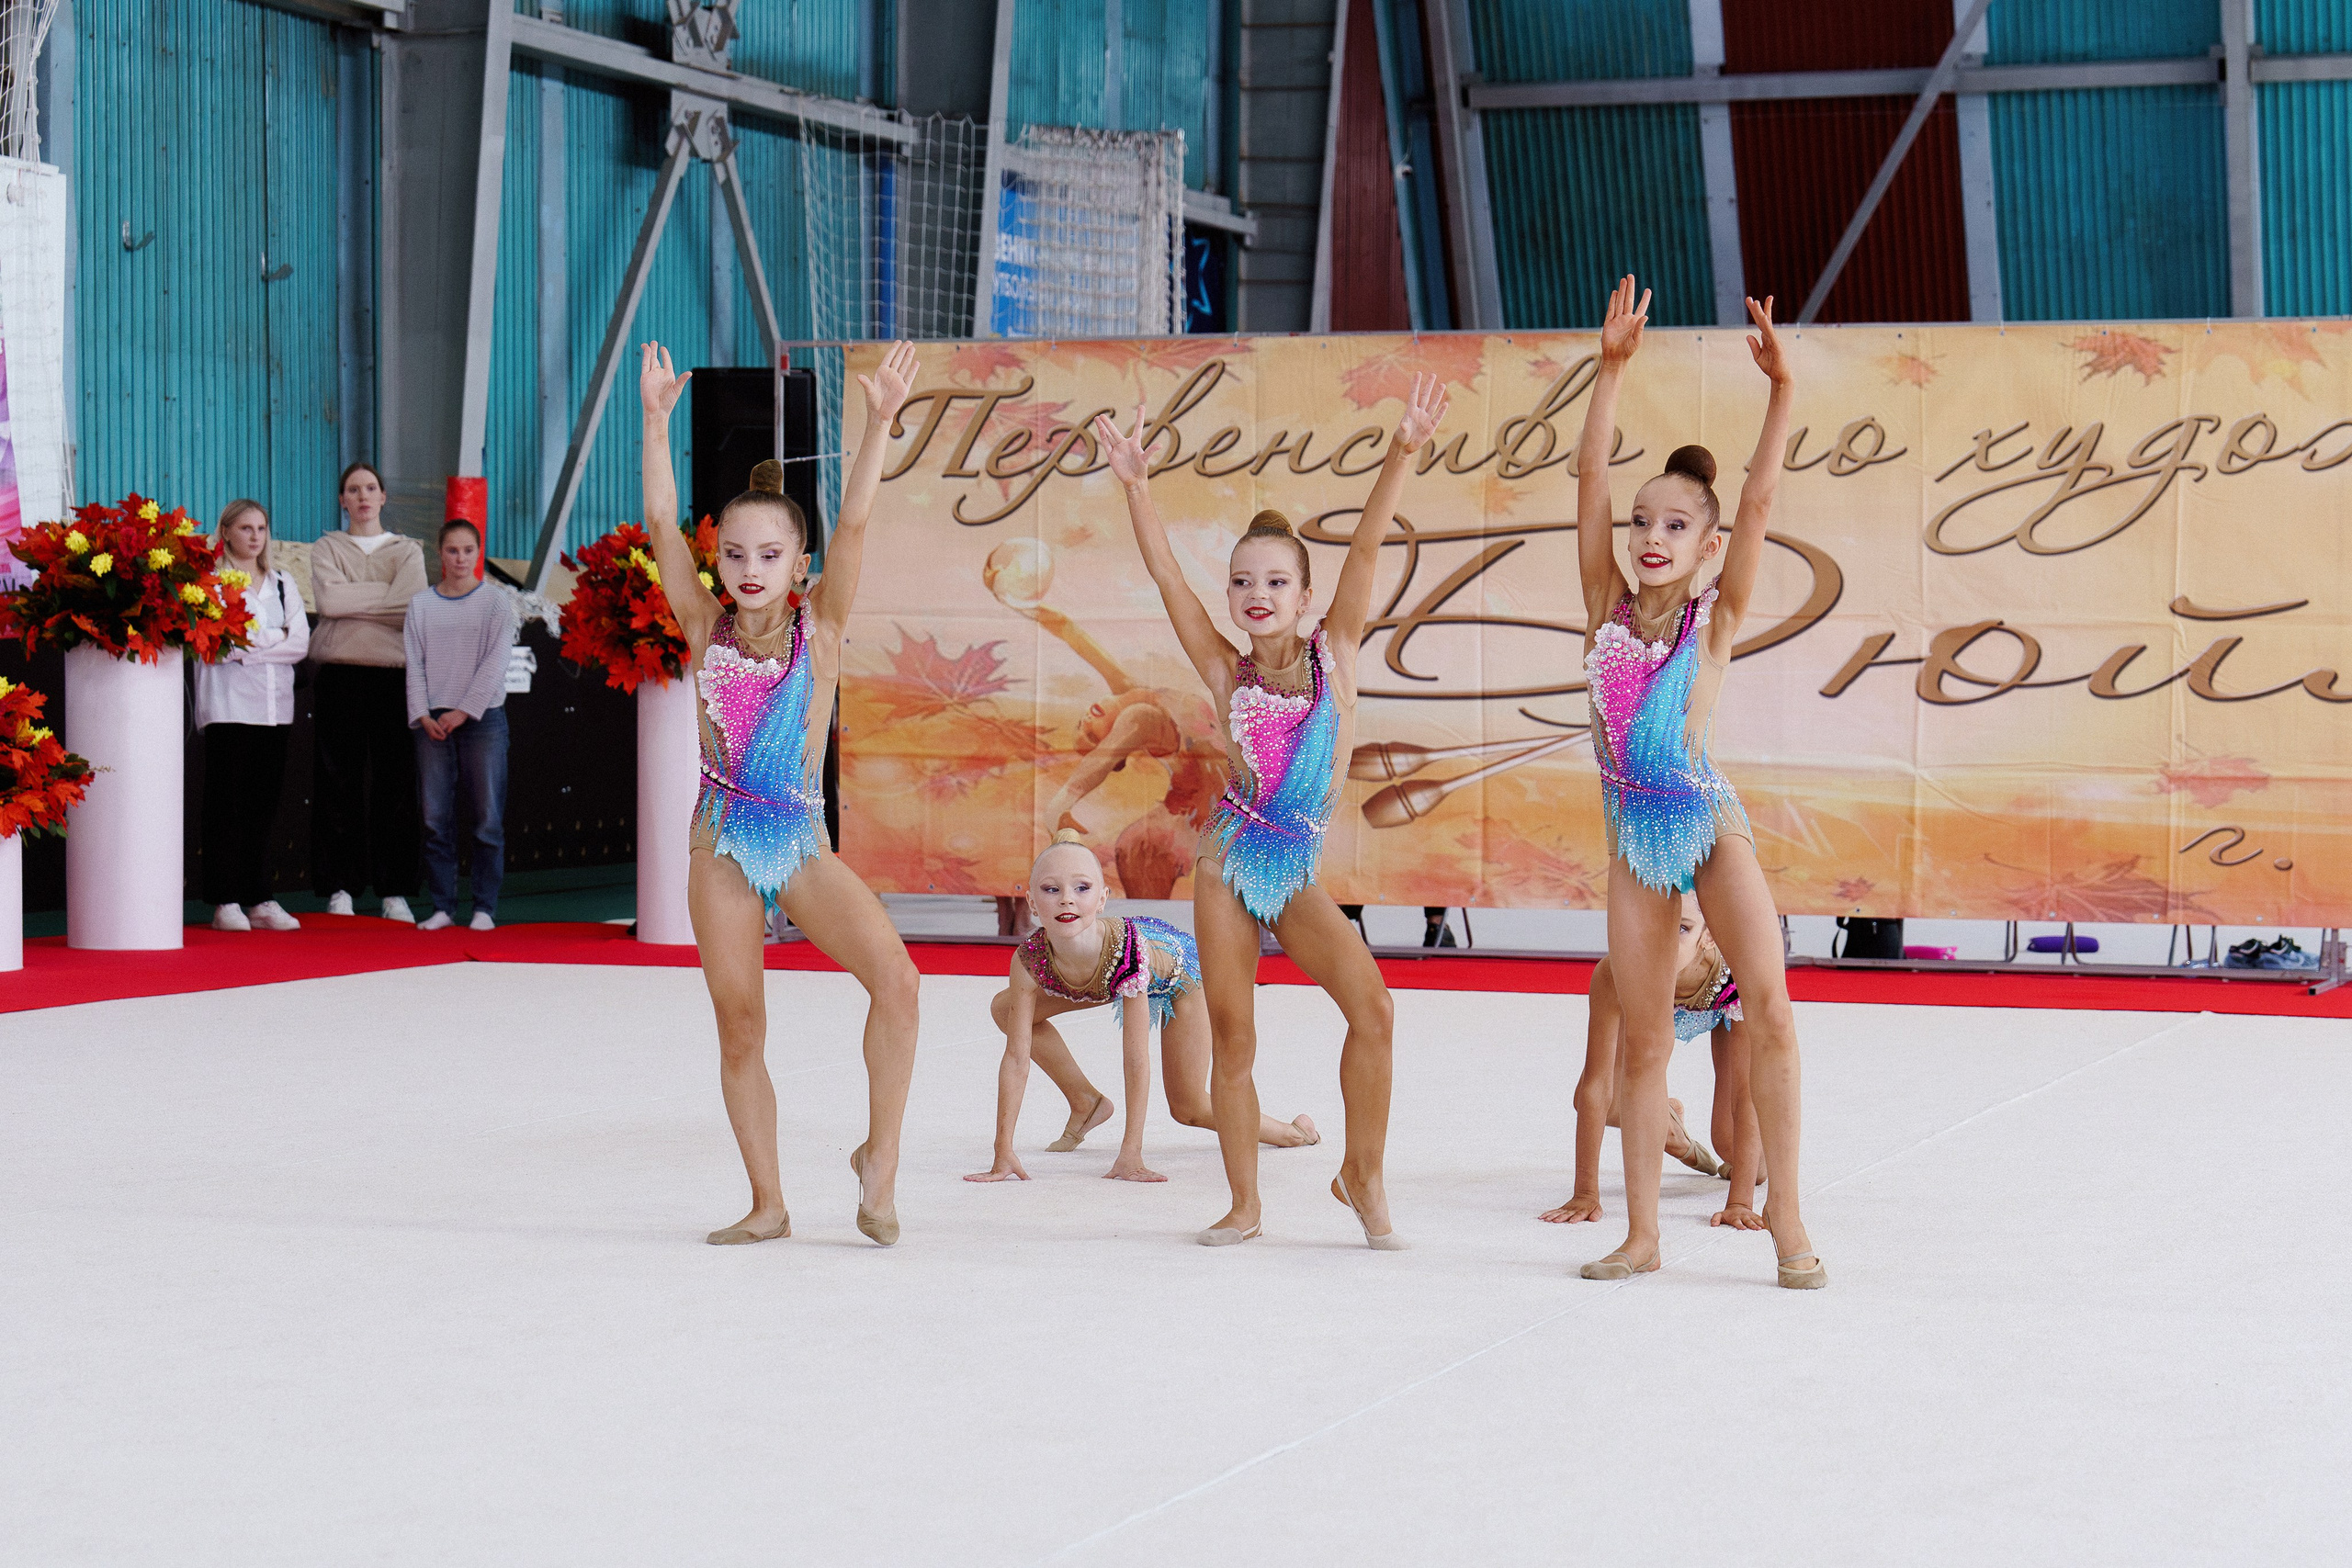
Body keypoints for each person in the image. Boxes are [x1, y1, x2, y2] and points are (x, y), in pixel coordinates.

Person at [1091, 372, 1450, 1249]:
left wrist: (1402, 450)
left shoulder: (1340, 650)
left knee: (1374, 1010)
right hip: (1226, 862)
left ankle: (1359, 1172)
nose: (1258, 593)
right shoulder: (1227, 671)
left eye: (1276, 581)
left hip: (1290, 870)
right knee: (1236, 1040)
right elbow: (1168, 575)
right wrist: (1137, 488)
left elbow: (1367, 547)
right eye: (1244, 581)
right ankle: (1245, 1205)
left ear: (1303, 594)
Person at [639, 339, 922, 1247]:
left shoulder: (822, 627)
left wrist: (879, 422)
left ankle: (878, 1161)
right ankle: (768, 1200)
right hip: (718, 842)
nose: (749, 567)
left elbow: (858, 527)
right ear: (717, 560)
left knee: (898, 981)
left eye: (770, 553)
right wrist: (653, 422)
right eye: (733, 553)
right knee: (740, 1028)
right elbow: (656, 524)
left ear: (798, 562)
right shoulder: (701, 626)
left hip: (799, 842)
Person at [1572, 277, 1823, 1288]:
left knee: (1768, 1007)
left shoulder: (1711, 620)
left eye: (1674, 526)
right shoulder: (1603, 605)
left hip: (1707, 821)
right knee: (1642, 1041)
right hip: (1633, 833)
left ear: (1705, 545)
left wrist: (1781, 393)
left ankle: (1787, 1224)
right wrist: (1611, 372)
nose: (1649, 535)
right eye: (1642, 522)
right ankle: (1639, 1234)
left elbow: (1759, 500)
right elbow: (1587, 480)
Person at [965, 831, 1318, 1184]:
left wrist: (1130, 1152)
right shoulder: (1030, 958)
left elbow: (1135, 1058)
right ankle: (1085, 1101)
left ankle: (1292, 1133)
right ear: (1030, 900)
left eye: (1082, 889)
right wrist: (1002, 1149)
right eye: (1051, 890)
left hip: (1181, 978)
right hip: (1103, 976)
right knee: (1004, 1009)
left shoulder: (1128, 952)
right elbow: (1015, 1059)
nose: (1066, 901)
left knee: (1189, 1106)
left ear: (1103, 899)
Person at [1539, 896, 1781, 1232]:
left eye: (1682, 928)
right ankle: (1673, 1131)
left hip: (1723, 1004)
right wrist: (1585, 1192)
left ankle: (1738, 1152)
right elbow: (1597, 1085)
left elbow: (1746, 1094)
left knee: (1734, 1150)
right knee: (1589, 1101)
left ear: (1709, 935)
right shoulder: (1616, 973)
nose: (1665, 941)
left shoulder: (1736, 971)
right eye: (1654, 925)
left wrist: (1739, 1201)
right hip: (1650, 995)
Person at [310, 461, 426, 922]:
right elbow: (329, 603)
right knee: (337, 782)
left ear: (382, 497)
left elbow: (412, 605)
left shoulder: (408, 550)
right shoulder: (326, 547)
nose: (362, 496)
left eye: (371, 488)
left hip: (395, 676)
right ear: (343, 500)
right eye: (353, 490)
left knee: (395, 783)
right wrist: (384, 597)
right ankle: (340, 886)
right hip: (340, 676)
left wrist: (355, 601)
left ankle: (394, 889)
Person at [193, 500, 310, 932]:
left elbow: (300, 644)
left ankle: (259, 896)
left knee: (264, 805)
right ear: (225, 532)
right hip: (228, 707)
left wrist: (257, 645)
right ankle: (225, 900)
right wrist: (270, 640)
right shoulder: (211, 582)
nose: (255, 536)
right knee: (226, 805)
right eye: (245, 527)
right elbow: (221, 645)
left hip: (275, 708)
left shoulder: (282, 583)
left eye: (261, 527)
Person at [403, 519, 516, 933]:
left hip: (483, 720)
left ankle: (484, 907)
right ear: (440, 553)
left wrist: (464, 712)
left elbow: (495, 664)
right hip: (432, 723)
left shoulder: (497, 603)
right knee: (435, 818)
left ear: (478, 552)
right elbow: (413, 663)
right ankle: (442, 907)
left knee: (487, 817)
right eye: (452, 550)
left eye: (468, 550)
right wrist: (423, 715)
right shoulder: (421, 605)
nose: (460, 558)